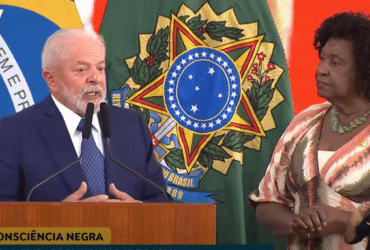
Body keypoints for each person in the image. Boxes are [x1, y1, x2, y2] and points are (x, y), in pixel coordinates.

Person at [0, 28, 167, 202]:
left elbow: (160, 199)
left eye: (100, 68)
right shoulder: (13, 132)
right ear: (51, 80)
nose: (95, 78)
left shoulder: (132, 125)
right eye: (81, 70)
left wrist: (138, 211)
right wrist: (55, 221)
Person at [249, 12, 370, 249]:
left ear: (364, 69)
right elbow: (267, 203)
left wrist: (344, 221)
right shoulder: (306, 122)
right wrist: (296, 223)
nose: (321, 69)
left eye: (335, 62)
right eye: (322, 59)